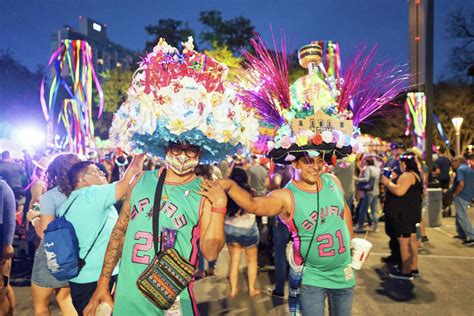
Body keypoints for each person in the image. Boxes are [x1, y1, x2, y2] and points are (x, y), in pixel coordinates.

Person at [83, 37, 258, 315]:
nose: (184, 156)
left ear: (202, 151)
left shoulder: (205, 190)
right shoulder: (141, 181)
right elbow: (120, 232)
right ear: (164, 145)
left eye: (192, 149)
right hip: (127, 302)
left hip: (172, 304)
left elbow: (211, 252)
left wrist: (219, 205)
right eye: (177, 147)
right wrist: (103, 284)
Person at [59, 155, 145, 314]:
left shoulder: (67, 203)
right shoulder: (92, 195)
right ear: (83, 178)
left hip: (79, 278)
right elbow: (129, 179)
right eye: (97, 171)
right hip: (99, 279)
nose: (103, 173)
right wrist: (139, 155)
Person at [25, 153, 80, 316]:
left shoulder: (51, 195)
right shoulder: (83, 194)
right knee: (66, 299)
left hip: (51, 255)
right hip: (74, 254)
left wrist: (34, 219)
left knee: (41, 306)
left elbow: (44, 233)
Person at [381, 152, 422, 280]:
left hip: (403, 215)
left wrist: (387, 182)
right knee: (412, 240)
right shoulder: (416, 175)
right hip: (412, 213)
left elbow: (399, 191)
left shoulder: (407, 175)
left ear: (404, 163)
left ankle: (405, 271)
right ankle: (413, 267)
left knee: (404, 242)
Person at [224, 167, 260, 298]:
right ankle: (251, 289)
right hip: (248, 228)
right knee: (252, 260)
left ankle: (233, 289)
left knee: (234, 260)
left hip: (230, 227)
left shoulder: (227, 193)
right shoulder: (251, 192)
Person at [450, 156, 474, 246]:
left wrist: (455, 193)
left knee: (462, 216)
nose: (452, 164)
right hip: (469, 194)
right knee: (459, 215)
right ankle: (461, 233)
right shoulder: (469, 169)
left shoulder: (460, 169)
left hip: (462, 195)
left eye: (453, 161)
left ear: (458, 161)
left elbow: (461, 183)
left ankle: (471, 236)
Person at [0, 180, 16, 315]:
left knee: (2, 288)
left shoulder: (2, 187)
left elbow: (10, 218)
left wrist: (8, 243)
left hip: (1, 245)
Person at [354, 157, 381, 233]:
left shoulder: (368, 168)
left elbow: (366, 179)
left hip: (369, 192)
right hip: (376, 191)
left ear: (367, 162)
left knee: (363, 210)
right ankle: (375, 227)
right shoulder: (377, 169)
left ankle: (359, 227)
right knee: (374, 211)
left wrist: (357, 179)